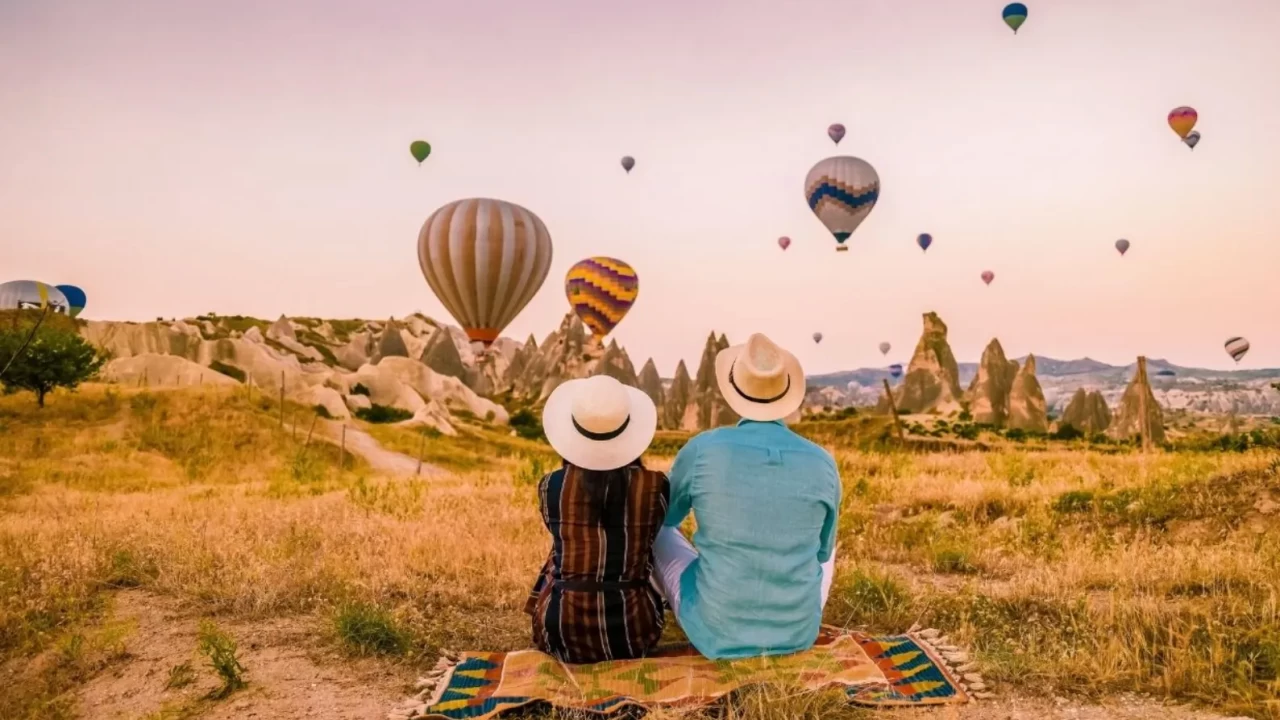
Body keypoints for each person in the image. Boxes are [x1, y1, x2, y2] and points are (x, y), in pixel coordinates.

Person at [653, 333, 840, 660]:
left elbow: (666, 517)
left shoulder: (702, 449)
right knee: (829, 551)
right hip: (798, 632)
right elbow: (822, 553)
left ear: (734, 391)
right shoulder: (823, 461)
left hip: (715, 632)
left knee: (657, 532)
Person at [525, 374, 669, 663]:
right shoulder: (655, 486)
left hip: (560, 633)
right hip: (634, 634)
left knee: (561, 548)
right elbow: (652, 535)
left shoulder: (550, 486)